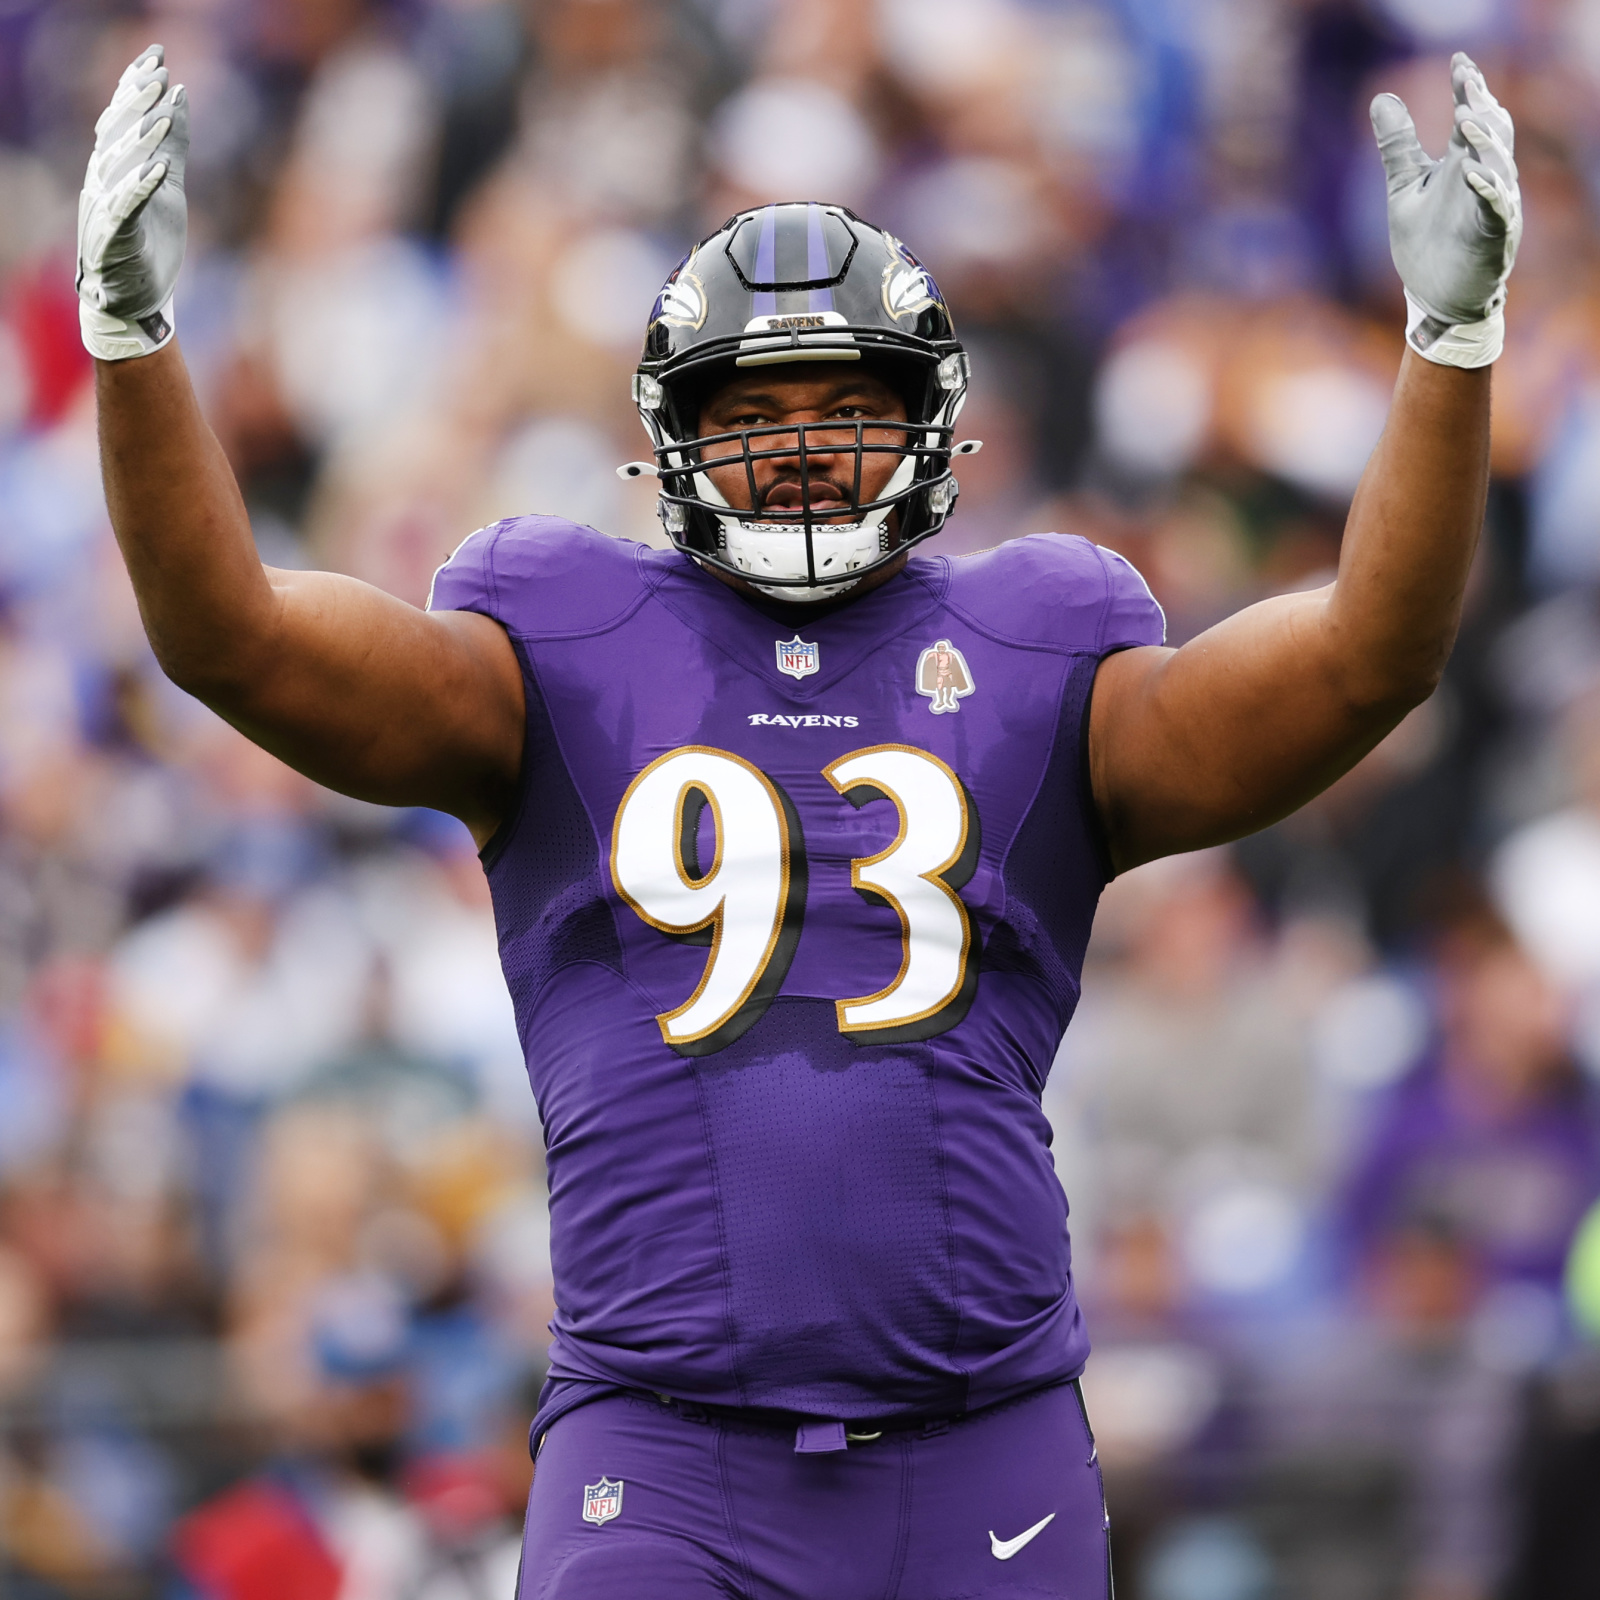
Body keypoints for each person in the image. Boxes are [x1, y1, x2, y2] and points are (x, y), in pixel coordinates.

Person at [80, 42, 1520, 1600]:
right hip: (663, 1446)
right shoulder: (554, 647)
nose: (807, 444)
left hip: (985, 1440)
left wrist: (1448, 346)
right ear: (675, 435)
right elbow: (226, 634)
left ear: (936, 425)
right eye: (758, 407)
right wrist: (138, 339)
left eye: (851, 403)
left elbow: (1374, 655)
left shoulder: (1044, 651)